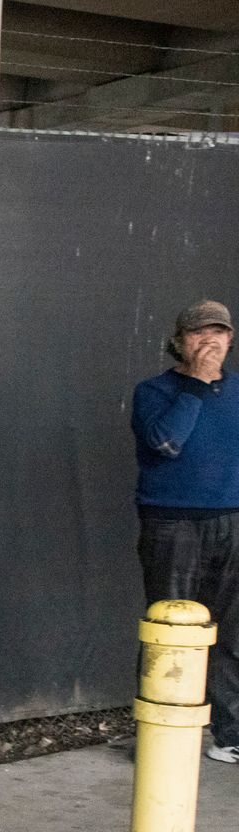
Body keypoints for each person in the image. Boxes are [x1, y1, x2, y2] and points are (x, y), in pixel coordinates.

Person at [132, 299, 239, 761]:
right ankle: (159, 738)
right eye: (199, 334)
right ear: (179, 342)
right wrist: (196, 383)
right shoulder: (153, 392)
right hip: (172, 523)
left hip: (231, 521)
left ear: (231, 340)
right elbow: (165, 444)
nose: (210, 341)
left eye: (219, 333)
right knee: (169, 631)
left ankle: (228, 734)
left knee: (228, 632)